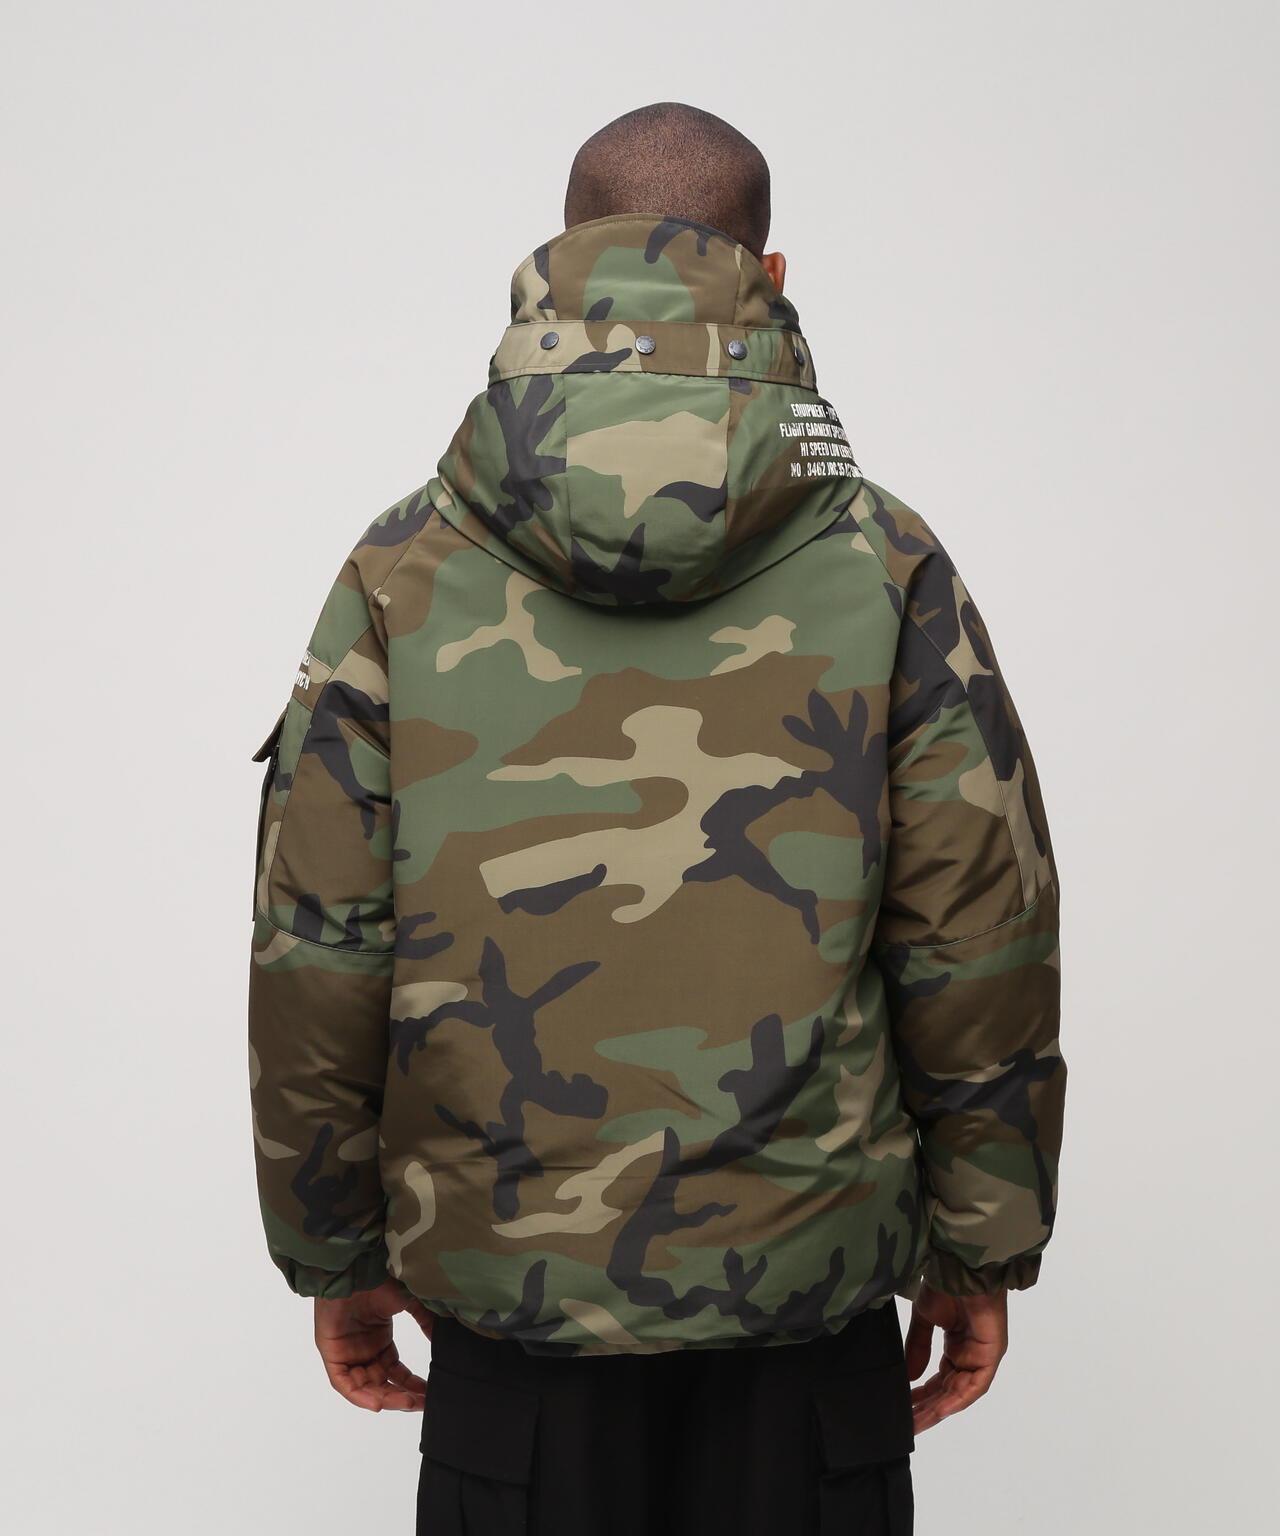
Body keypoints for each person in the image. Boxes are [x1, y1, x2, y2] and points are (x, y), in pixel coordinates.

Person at [247, 102, 1065, 1536]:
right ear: (770, 276)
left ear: (561, 267)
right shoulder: (884, 559)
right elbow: (976, 926)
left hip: (512, 1313)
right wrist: (981, 1244)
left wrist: (335, 1247)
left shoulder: (402, 567)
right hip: (810, 1310)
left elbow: (320, 939)